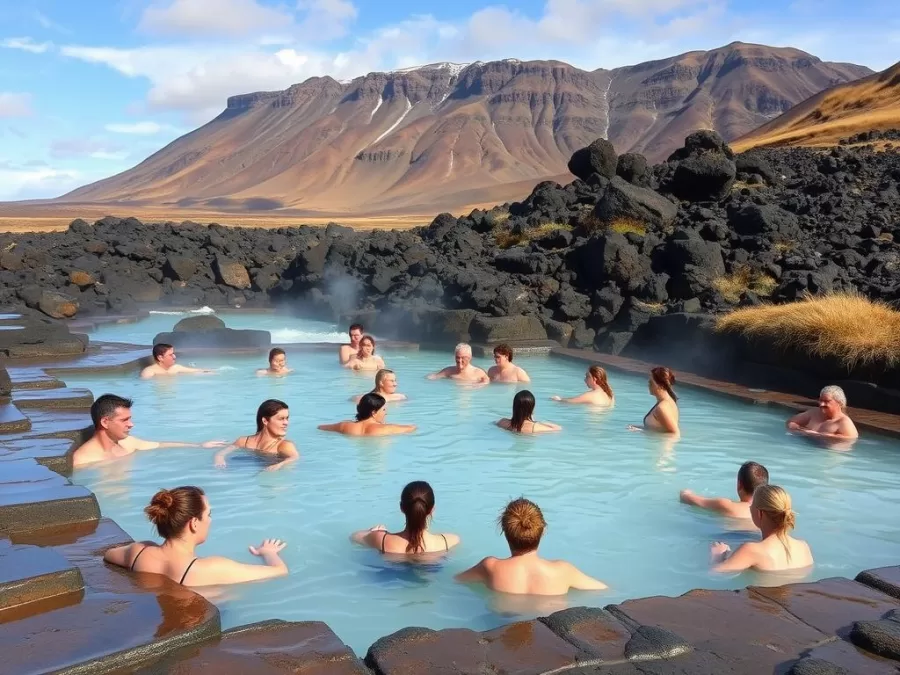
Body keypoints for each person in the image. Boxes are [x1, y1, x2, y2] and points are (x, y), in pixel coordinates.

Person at [103, 486, 289, 586]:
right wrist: (269, 553)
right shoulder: (210, 568)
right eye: (208, 515)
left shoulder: (139, 551)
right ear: (193, 523)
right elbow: (280, 572)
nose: (210, 520)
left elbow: (108, 554)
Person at [455, 498, 607, 595]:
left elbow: (456, 580)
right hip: (549, 636)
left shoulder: (490, 567)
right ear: (543, 531)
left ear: (504, 531)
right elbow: (602, 589)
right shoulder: (563, 571)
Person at [73, 394, 226, 468]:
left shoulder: (128, 443)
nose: (131, 424)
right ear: (105, 422)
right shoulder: (83, 460)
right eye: (124, 420)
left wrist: (199, 446)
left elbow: (159, 445)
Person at [710, 485, 814, 573]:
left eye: (752, 506)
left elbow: (714, 574)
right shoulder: (804, 547)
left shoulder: (751, 550)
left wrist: (718, 556)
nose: (750, 508)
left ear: (760, 514)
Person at [351, 480, 460, 555]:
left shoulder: (382, 540)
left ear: (401, 508)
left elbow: (354, 537)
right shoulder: (448, 541)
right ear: (432, 510)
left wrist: (374, 531)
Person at [214, 399, 299, 471]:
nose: (286, 423)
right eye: (281, 419)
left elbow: (294, 457)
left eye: (287, 418)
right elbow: (223, 452)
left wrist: (280, 465)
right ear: (265, 421)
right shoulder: (244, 441)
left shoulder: (283, 445)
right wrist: (219, 458)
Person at [680, 461, 770, 519]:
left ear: (739, 484)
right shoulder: (769, 513)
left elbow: (687, 498)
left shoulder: (725, 505)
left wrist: (686, 493)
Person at [318, 393, 416, 437]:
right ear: (374, 412)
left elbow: (320, 427)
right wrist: (385, 424)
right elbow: (412, 428)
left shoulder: (344, 426)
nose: (386, 412)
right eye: (384, 409)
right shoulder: (386, 428)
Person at [786, 385, 859, 441]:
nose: (821, 404)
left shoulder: (844, 422)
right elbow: (790, 421)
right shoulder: (814, 413)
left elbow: (850, 440)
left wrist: (819, 435)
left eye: (826, 401)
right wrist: (799, 430)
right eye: (820, 400)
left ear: (839, 403)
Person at [628, 366, 679, 435]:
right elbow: (659, 429)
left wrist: (641, 431)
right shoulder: (667, 402)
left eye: (651, 383)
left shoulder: (661, 408)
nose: (648, 385)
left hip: (659, 445)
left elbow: (674, 434)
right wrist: (639, 428)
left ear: (661, 385)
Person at [497, 390, 561, 433]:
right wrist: (537, 421)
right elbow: (558, 428)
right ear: (532, 408)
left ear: (514, 406)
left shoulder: (502, 422)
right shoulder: (535, 427)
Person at [140, 343, 216, 379]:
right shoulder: (149, 372)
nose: (174, 357)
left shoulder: (176, 368)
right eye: (170, 355)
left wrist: (214, 372)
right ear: (160, 358)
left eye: (174, 353)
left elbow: (198, 371)